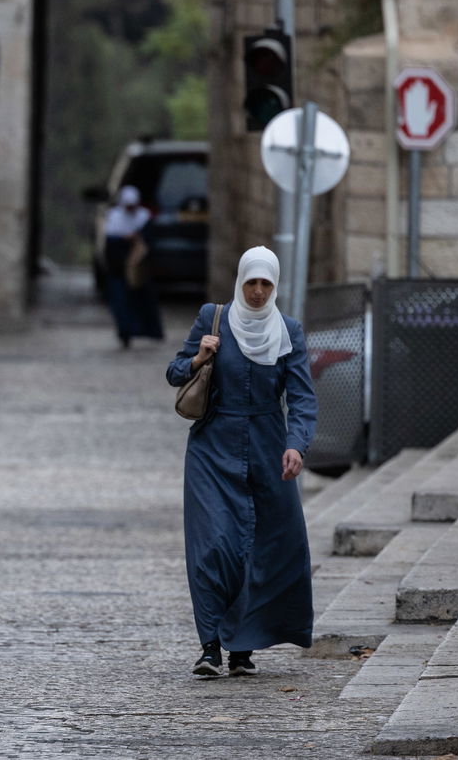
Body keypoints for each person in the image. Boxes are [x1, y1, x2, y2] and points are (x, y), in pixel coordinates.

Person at [166, 245, 315, 677]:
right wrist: (199, 357)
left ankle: (242, 648)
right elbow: (175, 373)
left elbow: (302, 397)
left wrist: (296, 444)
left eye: (265, 283)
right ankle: (210, 646)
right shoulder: (212, 318)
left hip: (269, 450)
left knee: (261, 548)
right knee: (213, 545)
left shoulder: (289, 331)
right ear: (240, 281)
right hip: (213, 447)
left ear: (275, 286)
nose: (256, 291)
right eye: (250, 282)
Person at [103, 185, 163, 347]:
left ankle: (150, 331)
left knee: (143, 301)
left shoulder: (143, 217)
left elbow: (149, 240)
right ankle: (125, 333)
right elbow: (110, 246)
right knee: (121, 304)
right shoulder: (114, 218)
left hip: (139, 270)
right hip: (118, 269)